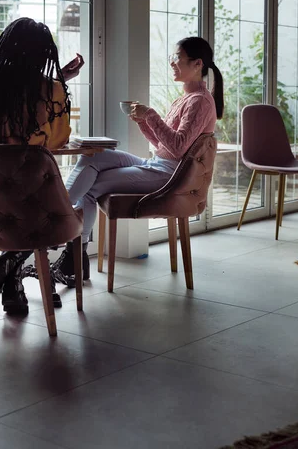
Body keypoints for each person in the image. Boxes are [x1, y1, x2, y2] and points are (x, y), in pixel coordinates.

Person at [53, 36, 224, 281]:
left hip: (169, 175)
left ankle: (71, 251)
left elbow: (177, 149)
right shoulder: (185, 99)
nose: (172, 63)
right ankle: (62, 218)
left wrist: (151, 115)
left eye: (177, 58)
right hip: (157, 164)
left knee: (91, 187)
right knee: (95, 157)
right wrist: (145, 124)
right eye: (172, 58)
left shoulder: (199, 102)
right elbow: (161, 146)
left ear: (197, 64)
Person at [0, 17, 84, 315]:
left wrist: (55, 84)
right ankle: (6, 265)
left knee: (22, 204)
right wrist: (57, 86)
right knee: (48, 209)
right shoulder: (50, 91)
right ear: (43, 56)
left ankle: (11, 287)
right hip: (29, 204)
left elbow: (8, 108)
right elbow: (56, 141)